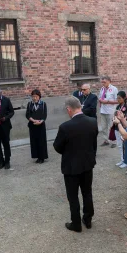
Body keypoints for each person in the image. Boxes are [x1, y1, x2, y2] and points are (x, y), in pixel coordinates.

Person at [53, 96, 98, 232]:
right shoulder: (92, 121)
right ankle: (88, 219)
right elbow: (93, 144)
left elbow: (57, 147)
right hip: (87, 164)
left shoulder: (65, 127)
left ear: (69, 109)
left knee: (73, 197)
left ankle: (76, 223)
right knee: (87, 193)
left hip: (71, 166)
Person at [26, 89, 48, 164]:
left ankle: (42, 157)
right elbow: (27, 115)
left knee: (41, 141)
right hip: (32, 125)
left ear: (39, 97)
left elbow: (44, 115)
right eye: (33, 96)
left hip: (41, 125)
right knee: (34, 141)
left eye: (36, 96)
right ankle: (37, 156)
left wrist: (40, 121)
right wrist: (33, 120)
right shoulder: (29, 104)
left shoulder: (43, 104)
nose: (34, 98)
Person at [98, 76, 119, 147]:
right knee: (103, 127)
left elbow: (117, 101)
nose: (103, 83)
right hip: (103, 110)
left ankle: (114, 142)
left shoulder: (114, 89)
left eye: (104, 82)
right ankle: (106, 140)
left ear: (109, 81)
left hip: (111, 111)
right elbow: (100, 97)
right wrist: (100, 101)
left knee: (111, 126)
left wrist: (108, 102)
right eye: (102, 82)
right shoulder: (102, 89)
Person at [114, 91, 127, 168]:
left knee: (124, 145)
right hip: (117, 127)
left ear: (124, 98)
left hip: (123, 127)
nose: (118, 100)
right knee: (119, 145)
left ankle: (126, 161)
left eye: (119, 98)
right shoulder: (118, 107)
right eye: (117, 98)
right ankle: (122, 159)